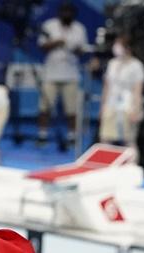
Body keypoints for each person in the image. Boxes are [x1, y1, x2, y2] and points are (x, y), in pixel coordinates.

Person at [37, 2, 88, 149]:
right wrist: (56, 43)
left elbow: (83, 50)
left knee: (71, 109)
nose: (66, 15)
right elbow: (41, 45)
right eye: (64, 12)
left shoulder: (79, 28)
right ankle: (42, 135)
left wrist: (75, 49)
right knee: (44, 107)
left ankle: (72, 136)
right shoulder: (49, 26)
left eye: (69, 12)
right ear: (59, 13)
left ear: (73, 14)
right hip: (50, 74)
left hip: (71, 74)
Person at [99, 35, 144, 147]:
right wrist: (103, 106)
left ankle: (131, 163)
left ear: (128, 48)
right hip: (111, 105)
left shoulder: (137, 65)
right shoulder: (112, 64)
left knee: (129, 141)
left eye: (119, 45)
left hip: (128, 106)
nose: (116, 47)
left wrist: (136, 110)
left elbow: (138, 91)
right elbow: (107, 87)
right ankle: (108, 164)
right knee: (105, 139)